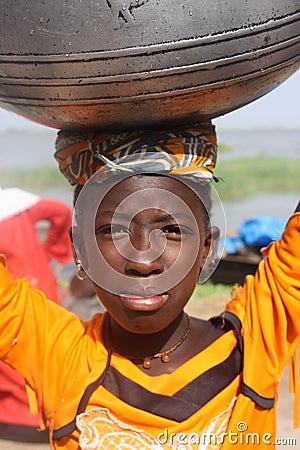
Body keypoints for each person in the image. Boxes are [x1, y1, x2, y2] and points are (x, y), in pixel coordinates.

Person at [0, 122, 299, 449]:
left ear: (206, 248)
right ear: (79, 250)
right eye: (114, 231)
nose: (143, 262)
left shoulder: (255, 341)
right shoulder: (60, 355)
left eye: (171, 230)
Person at [0, 188, 73, 443]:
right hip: (37, 283)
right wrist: (52, 250)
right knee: (46, 349)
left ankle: (23, 417)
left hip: (8, 292)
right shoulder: (15, 203)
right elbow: (62, 211)